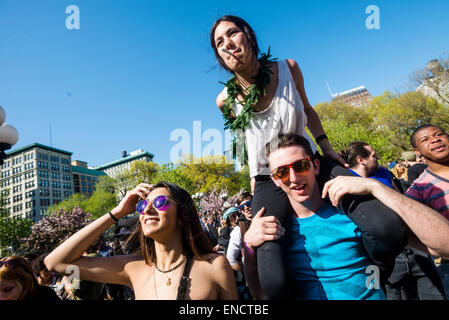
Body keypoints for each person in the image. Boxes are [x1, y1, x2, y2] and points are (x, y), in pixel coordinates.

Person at [211, 15, 407, 298]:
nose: (228, 44)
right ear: (219, 55)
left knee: (387, 228)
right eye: (219, 43)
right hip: (269, 177)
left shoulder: (288, 68)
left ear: (249, 36)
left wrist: (326, 147)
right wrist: (254, 179)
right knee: (273, 279)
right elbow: (245, 139)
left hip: (310, 160)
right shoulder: (224, 100)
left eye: (232, 34)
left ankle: (376, 279)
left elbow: (308, 109)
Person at [242, 133, 449, 300]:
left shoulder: (356, 214)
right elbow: (260, 295)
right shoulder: (277, 231)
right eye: (282, 173)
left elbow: (444, 245)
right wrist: (249, 246)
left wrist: (375, 187)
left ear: (315, 166)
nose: (294, 178)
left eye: (301, 166)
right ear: (275, 180)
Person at [45, 181, 238, 300]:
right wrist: (117, 213)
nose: (147, 210)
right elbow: (55, 262)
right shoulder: (132, 268)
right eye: (143, 205)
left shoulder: (213, 265)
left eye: (161, 202)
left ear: (182, 216)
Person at [406, 124, 449, 296]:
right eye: (425, 140)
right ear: (417, 151)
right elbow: (405, 234)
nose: (435, 140)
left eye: (439, 134)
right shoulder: (418, 190)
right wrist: (438, 249)